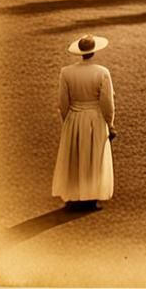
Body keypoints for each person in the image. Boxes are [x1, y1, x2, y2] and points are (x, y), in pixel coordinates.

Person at [52, 34, 116, 210]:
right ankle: (91, 197)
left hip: (74, 116)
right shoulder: (102, 72)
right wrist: (110, 124)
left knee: (75, 155)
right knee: (93, 155)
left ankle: (73, 197)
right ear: (94, 51)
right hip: (94, 117)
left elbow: (63, 101)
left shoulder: (67, 72)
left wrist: (68, 120)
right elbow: (107, 102)